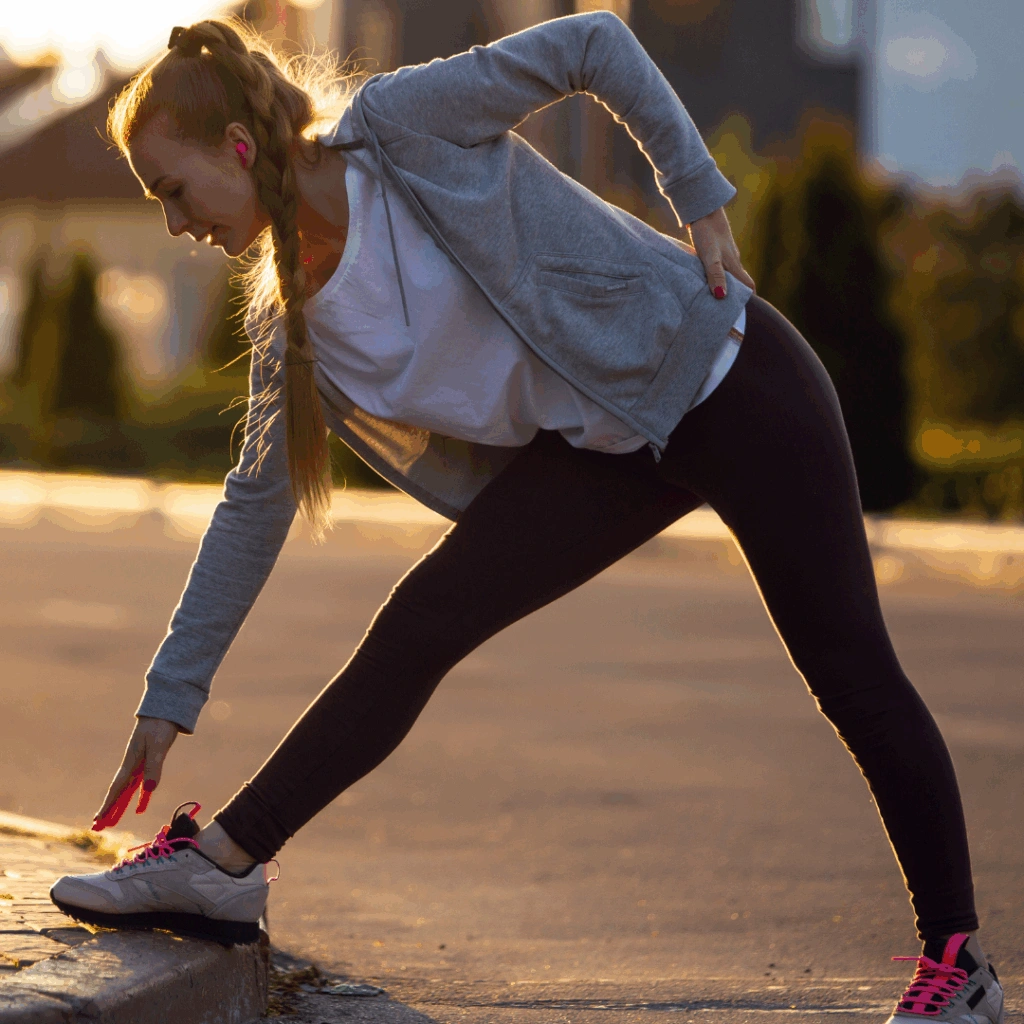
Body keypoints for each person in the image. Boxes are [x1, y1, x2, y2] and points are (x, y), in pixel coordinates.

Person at [48, 13, 1002, 1023]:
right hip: (609, 448)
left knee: (850, 674)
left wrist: (699, 197)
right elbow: (253, 508)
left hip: (727, 381)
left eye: (173, 190)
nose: (176, 224)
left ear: (239, 148)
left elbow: (595, 44)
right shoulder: (291, 323)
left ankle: (959, 965)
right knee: (422, 621)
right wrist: (171, 693)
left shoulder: (397, 129)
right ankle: (225, 863)